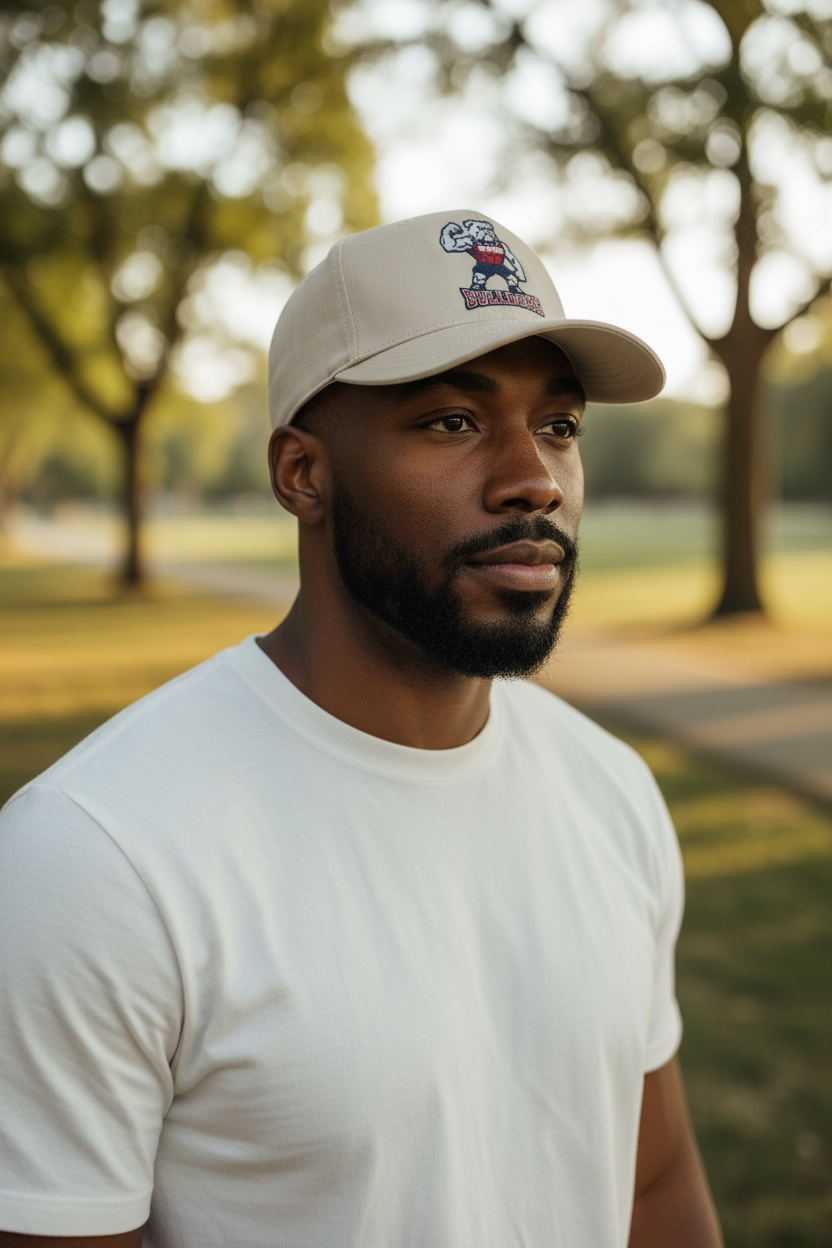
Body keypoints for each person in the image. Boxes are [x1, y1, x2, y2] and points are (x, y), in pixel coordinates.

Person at [0, 210, 723, 1248]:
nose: (534, 477)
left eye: (559, 425)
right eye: (451, 421)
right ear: (304, 474)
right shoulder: (95, 857)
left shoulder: (610, 792)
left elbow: (651, 1187)